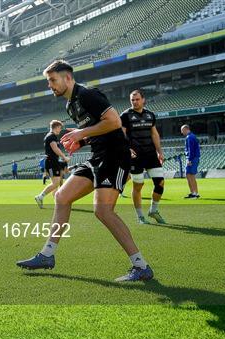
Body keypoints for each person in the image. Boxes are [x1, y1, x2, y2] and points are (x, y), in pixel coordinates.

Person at [16, 60, 153, 282]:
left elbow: (114, 121)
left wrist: (81, 134)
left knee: (103, 211)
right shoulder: (69, 106)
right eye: (48, 81)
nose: (50, 85)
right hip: (97, 156)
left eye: (52, 80)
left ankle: (141, 266)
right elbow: (97, 129)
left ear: (67, 78)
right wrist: (82, 139)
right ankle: (47, 255)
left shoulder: (88, 94)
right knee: (62, 196)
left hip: (115, 156)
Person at [120, 89, 166, 224]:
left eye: (137, 99)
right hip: (135, 156)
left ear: (143, 100)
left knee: (160, 183)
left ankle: (153, 210)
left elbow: (154, 134)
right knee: (138, 186)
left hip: (151, 154)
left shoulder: (150, 115)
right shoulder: (125, 115)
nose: (135, 102)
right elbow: (121, 135)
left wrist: (160, 151)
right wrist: (127, 148)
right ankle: (140, 216)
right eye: (132, 100)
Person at [35, 120, 71, 208]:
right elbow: (55, 149)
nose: (60, 130)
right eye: (59, 127)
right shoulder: (52, 136)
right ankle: (40, 196)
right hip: (52, 163)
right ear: (56, 127)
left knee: (55, 184)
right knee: (56, 183)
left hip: (51, 162)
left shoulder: (50, 136)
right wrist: (64, 157)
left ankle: (57, 203)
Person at [181, 125, 200, 198]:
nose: (181, 132)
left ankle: (194, 193)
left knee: (190, 175)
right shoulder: (192, 136)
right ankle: (194, 193)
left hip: (192, 158)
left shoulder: (189, 137)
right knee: (190, 175)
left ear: (186, 129)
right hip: (194, 158)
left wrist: (189, 159)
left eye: (182, 130)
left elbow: (190, 149)